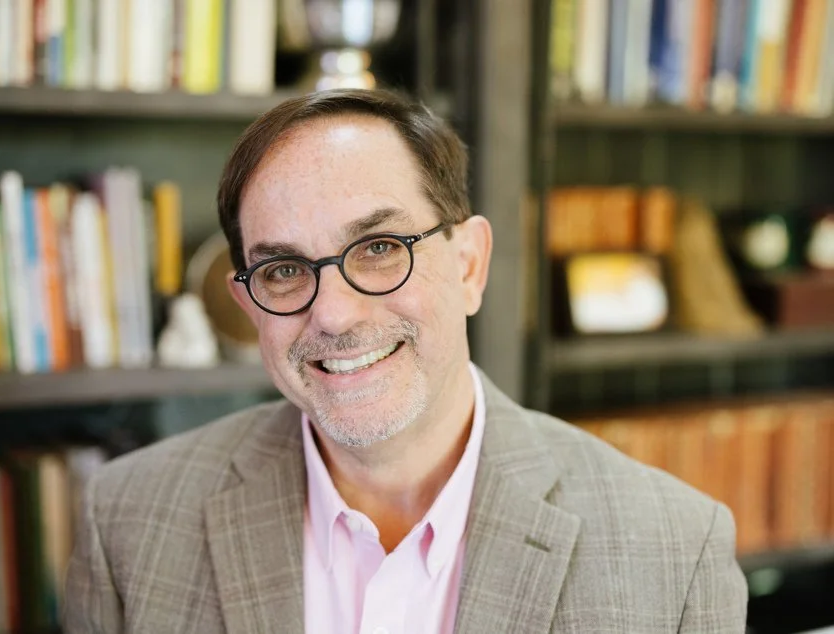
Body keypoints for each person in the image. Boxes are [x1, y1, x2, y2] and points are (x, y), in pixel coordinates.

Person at [63, 88, 748, 633]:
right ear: (248, 305)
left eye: (381, 248)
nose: (333, 313)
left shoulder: (674, 550)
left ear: (470, 266)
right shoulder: (126, 521)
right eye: (283, 271)